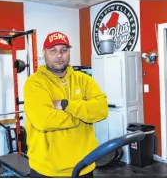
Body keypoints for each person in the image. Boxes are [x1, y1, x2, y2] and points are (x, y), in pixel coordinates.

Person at [23, 31, 108, 178]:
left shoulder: (84, 79)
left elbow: (101, 110)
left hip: (84, 164)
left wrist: (66, 105)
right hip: (48, 169)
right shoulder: (34, 83)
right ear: (44, 53)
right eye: (53, 51)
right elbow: (44, 120)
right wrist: (84, 116)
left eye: (64, 50)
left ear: (69, 52)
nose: (59, 55)